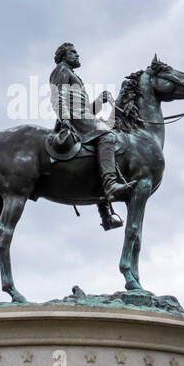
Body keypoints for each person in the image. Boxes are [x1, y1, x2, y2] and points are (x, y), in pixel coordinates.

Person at [49, 42, 131, 231]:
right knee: (108, 136)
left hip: (82, 116)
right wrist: (66, 119)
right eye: (73, 52)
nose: (78, 55)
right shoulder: (61, 70)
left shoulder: (73, 75)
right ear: (63, 56)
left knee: (99, 149)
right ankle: (111, 185)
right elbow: (57, 97)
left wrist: (99, 102)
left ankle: (106, 215)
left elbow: (87, 110)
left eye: (77, 52)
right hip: (75, 118)